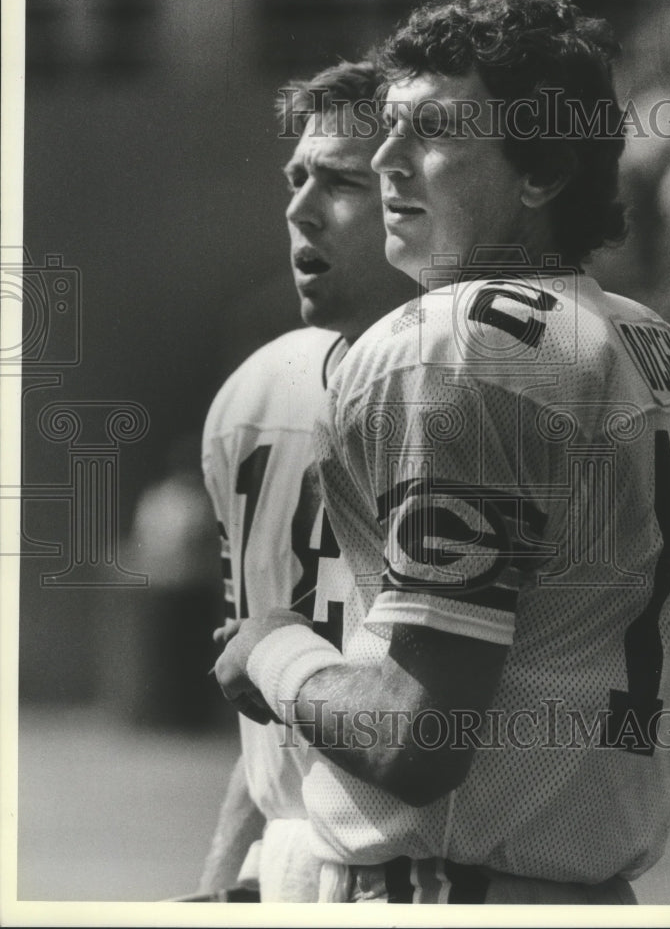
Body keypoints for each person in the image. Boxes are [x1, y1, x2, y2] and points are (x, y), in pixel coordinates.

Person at [215, 0, 670, 904]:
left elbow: (417, 737)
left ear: (541, 172)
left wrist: (271, 650)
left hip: (445, 888)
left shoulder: (462, 344)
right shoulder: (645, 338)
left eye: (432, 132)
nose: (385, 159)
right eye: (389, 127)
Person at [198, 60, 417, 900]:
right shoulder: (259, 392)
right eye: (295, 177)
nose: (298, 207)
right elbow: (267, 725)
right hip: (293, 866)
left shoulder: (482, 390)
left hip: (434, 867)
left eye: (339, 181)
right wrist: (219, 879)